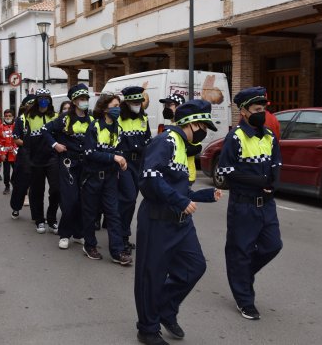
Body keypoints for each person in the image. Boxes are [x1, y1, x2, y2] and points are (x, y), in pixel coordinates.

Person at [134, 99, 222, 345]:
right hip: (158, 221)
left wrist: (204, 195)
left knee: (194, 267)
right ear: (192, 123)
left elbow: (177, 188)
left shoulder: (183, 147)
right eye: (203, 125)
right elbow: (150, 178)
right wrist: (179, 201)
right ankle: (148, 329)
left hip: (181, 223)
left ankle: (165, 309)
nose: (205, 132)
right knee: (152, 275)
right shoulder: (165, 141)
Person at [217, 86, 282, 321]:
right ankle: (245, 300)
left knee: (273, 245)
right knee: (240, 252)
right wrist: (257, 181)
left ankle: (241, 275)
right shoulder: (235, 137)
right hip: (243, 205)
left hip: (266, 204)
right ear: (244, 111)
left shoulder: (269, 136)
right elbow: (224, 170)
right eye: (257, 109)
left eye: (263, 109)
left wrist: (273, 183)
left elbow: (276, 164)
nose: (261, 113)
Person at [80, 93, 132, 265]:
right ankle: (90, 245)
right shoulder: (94, 127)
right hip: (92, 177)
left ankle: (117, 252)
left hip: (110, 178)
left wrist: (121, 160)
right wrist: (113, 158)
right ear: (104, 109)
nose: (117, 109)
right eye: (113, 106)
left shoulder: (118, 128)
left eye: (118, 105)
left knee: (113, 214)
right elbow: (89, 153)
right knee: (90, 213)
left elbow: (120, 150)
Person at [43, 84, 92, 249]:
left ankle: (78, 234)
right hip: (68, 164)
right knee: (70, 200)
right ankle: (64, 234)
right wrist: (55, 144)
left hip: (86, 165)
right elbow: (45, 130)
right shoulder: (65, 118)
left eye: (86, 99)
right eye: (81, 99)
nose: (84, 102)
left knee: (81, 201)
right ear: (74, 101)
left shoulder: (91, 120)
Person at [117, 86, 152, 254]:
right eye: (134, 102)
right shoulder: (118, 119)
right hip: (124, 163)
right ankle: (121, 237)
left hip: (140, 164)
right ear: (127, 102)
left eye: (140, 102)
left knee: (130, 201)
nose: (137, 104)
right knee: (129, 199)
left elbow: (148, 139)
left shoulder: (143, 118)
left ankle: (123, 234)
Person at [23, 88, 60, 234]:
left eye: (46, 97)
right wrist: (27, 160)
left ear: (50, 100)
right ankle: (39, 220)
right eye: (41, 97)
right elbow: (26, 140)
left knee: (56, 189)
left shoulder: (56, 116)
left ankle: (52, 219)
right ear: (36, 100)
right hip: (36, 160)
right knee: (37, 191)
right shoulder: (29, 117)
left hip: (52, 158)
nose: (43, 100)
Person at [10, 95, 36, 219]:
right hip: (24, 155)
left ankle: (37, 213)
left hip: (38, 155)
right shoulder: (20, 120)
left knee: (37, 186)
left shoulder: (40, 119)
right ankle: (16, 207)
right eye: (30, 104)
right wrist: (29, 144)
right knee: (21, 184)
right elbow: (16, 139)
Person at [0, 109, 17, 195]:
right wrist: (2, 154)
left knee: (16, 171)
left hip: (15, 154)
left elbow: (19, 139)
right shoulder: (0, 127)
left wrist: (16, 150)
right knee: (6, 173)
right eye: (6, 116)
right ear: (4, 117)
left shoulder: (16, 126)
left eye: (9, 116)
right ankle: (7, 186)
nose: (8, 117)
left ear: (13, 117)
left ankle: (13, 181)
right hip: (5, 154)